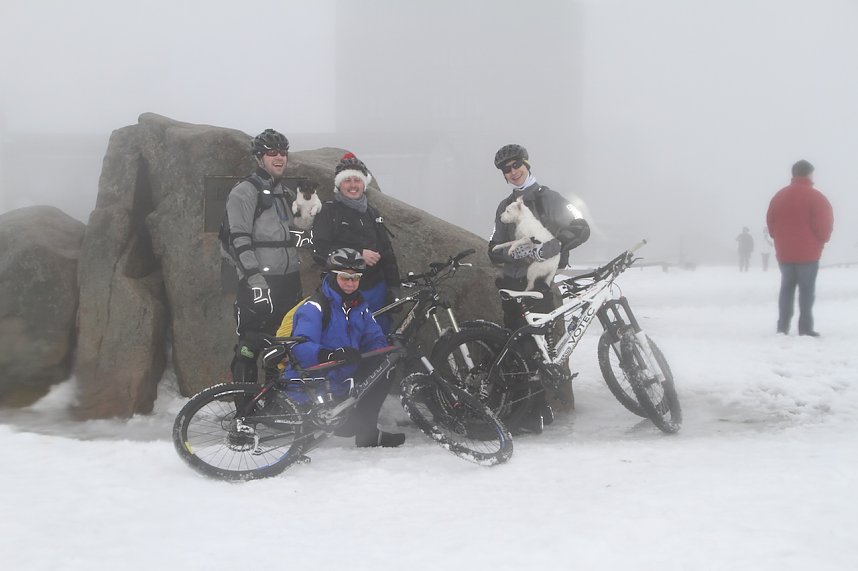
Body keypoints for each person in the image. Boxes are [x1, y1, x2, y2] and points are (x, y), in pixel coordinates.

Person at [487, 144, 591, 432]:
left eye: (516, 164)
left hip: (541, 283)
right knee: (518, 347)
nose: (513, 171)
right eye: (506, 169)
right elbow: (493, 248)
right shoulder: (503, 207)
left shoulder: (550, 198)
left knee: (537, 346)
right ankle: (525, 411)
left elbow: (581, 226)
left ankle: (537, 410)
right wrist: (517, 254)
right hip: (512, 282)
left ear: (527, 164)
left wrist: (556, 245)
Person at [280, 248, 405, 448]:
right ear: (331, 276)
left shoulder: (359, 306)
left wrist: (385, 350)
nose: (350, 283)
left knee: (386, 365)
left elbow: (374, 338)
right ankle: (336, 424)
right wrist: (330, 354)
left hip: (341, 379)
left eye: (355, 278)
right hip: (315, 382)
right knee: (342, 425)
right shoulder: (315, 307)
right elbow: (300, 346)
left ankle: (367, 433)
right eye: (344, 277)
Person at [223, 129, 303, 383]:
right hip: (260, 283)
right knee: (249, 346)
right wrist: (255, 280)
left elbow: (294, 235)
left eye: (283, 153)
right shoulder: (244, 192)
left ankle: (275, 403)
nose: (279, 157)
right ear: (259, 158)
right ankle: (244, 413)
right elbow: (239, 238)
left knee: (282, 345)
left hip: (289, 281)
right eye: (271, 153)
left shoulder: (285, 194)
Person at [312, 152, 401, 334]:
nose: (353, 185)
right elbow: (320, 251)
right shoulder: (328, 212)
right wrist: (359, 255)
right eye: (347, 180)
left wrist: (394, 288)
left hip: (376, 288)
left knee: (379, 338)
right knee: (348, 341)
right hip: (342, 290)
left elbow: (387, 252)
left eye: (357, 180)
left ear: (364, 183)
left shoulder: (372, 213)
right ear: (339, 184)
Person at [766, 160, 834, 337]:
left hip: (785, 253)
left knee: (786, 288)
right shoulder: (817, 198)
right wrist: (822, 240)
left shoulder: (779, 196)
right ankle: (805, 328)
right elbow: (824, 225)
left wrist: (779, 238)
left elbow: (771, 223)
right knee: (806, 290)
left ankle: (782, 326)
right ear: (809, 174)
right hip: (809, 253)